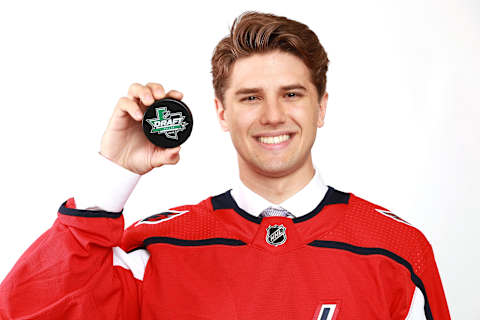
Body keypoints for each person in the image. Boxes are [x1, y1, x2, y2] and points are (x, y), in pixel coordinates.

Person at [0, 11, 450, 320]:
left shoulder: (398, 251)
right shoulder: (156, 251)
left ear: (322, 108)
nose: (273, 115)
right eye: (250, 97)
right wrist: (113, 176)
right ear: (220, 112)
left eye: (292, 94)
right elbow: (26, 310)